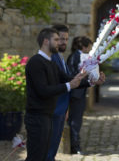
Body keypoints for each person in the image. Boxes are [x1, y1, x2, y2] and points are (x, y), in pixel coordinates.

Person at [24, 28, 88, 161]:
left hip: (47, 116)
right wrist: (69, 85)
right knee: (36, 157)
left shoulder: (51, 63)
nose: (59, 43)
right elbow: (43, 90)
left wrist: (91, 81)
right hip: (36, 117)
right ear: (46, 41)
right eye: (56, 39)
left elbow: (68, 78)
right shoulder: (35, 62)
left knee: (45, 155)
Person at [47, 25, 71, 161]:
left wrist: (66, 108)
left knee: (53, 148)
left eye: (66, 39)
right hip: (53, 110)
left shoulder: (61, 58)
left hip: (61, 109)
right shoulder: (52, 58)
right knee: (48, 149)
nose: (64, 42)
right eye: (61, 39)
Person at [67, 36, 93, 154]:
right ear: (83, 46)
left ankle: (75, 144)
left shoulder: (74, 56)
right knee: (75, 120)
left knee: (75, 119)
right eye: (89, 47)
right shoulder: (77, 56)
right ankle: (75, 146)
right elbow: (73, 74)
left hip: (77, 92)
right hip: (76, 93)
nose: (89, 50)